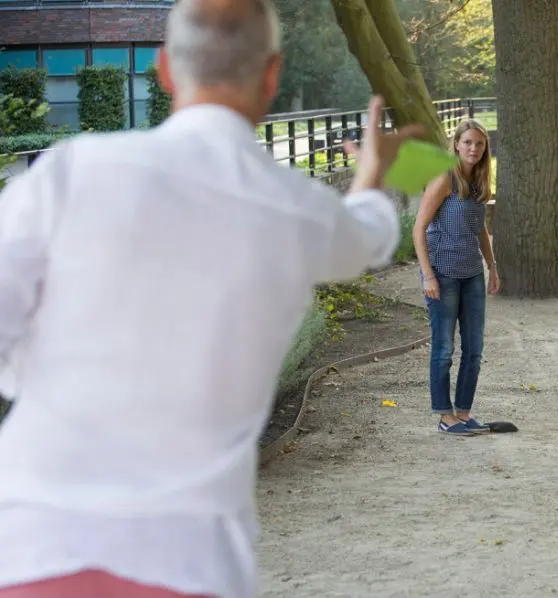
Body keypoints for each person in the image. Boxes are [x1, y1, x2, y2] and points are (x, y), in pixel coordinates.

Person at [0, 0, 419, 596]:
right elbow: (369, 235)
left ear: (165, 69)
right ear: (272, 75)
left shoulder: (68, 174)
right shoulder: (295, 209)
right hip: (190, 562)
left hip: (33, 544)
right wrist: (372, 175)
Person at [413, 120, 500, 437]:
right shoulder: (444, 179)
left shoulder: (478, 182)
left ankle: (463, 413)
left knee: (474, 350)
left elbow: (480, 229)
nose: (473, 149)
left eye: (479, 144)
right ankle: (445, 416)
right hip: (443, 274)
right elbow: (418, 229)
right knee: (444, 349)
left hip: (472, 273)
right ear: (456, 145)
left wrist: (492, 265)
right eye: (468, 143)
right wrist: (428, 276)